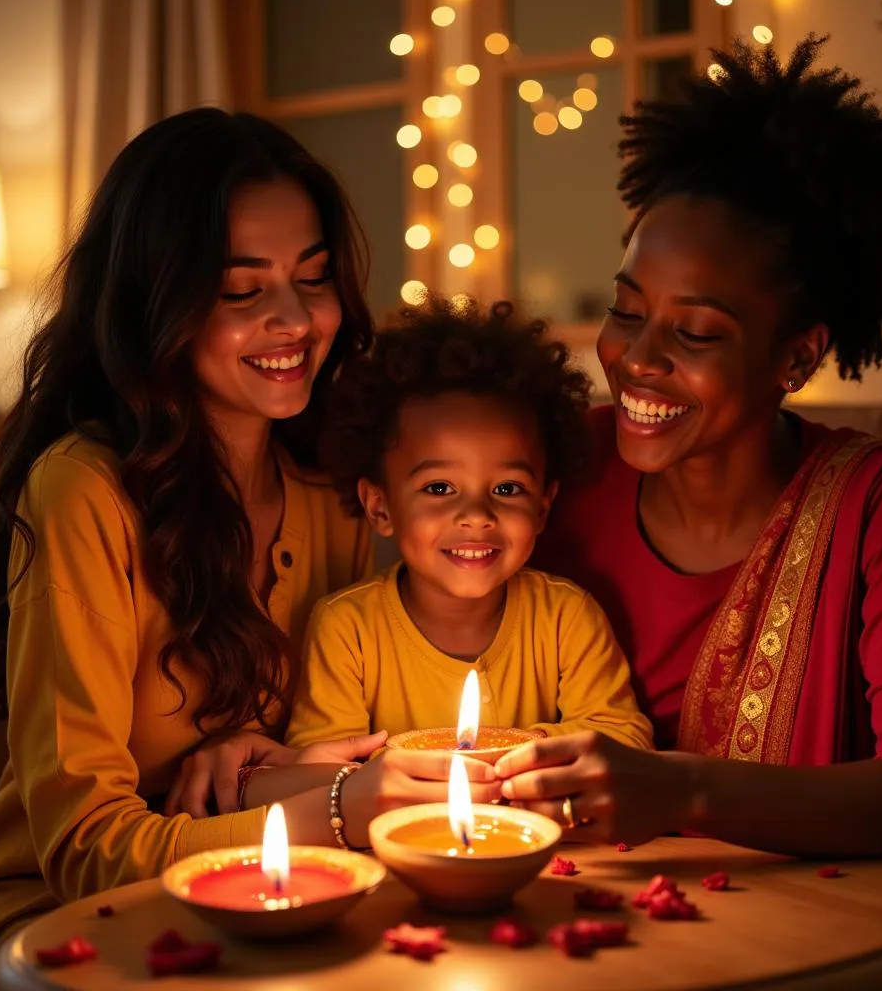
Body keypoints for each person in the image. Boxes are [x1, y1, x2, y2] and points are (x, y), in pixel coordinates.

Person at [0, 109, 495, 977]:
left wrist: (270, 770)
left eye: (313, 278)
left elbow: (313, 736)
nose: (294, 320)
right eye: (243, 291)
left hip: (275, 886)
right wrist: (334, 807)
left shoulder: (328, 492)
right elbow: (83, 847)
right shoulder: (86, 491)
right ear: (159, 305)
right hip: (58, 914)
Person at [495, 35, 882, 909]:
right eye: (626, 311)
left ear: (795, 358)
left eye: (696, 333)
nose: (636, 360)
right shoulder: (551, 469)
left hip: (808, 930)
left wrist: (681, 789)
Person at [167, 300, 653, 823]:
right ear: (380, 506)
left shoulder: (567, 617)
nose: (476, 515)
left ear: (543, 506)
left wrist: (498, 749)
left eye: (507, 488)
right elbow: (324, 769)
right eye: (439, 488)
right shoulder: (348, 627)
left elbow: (625, 740)